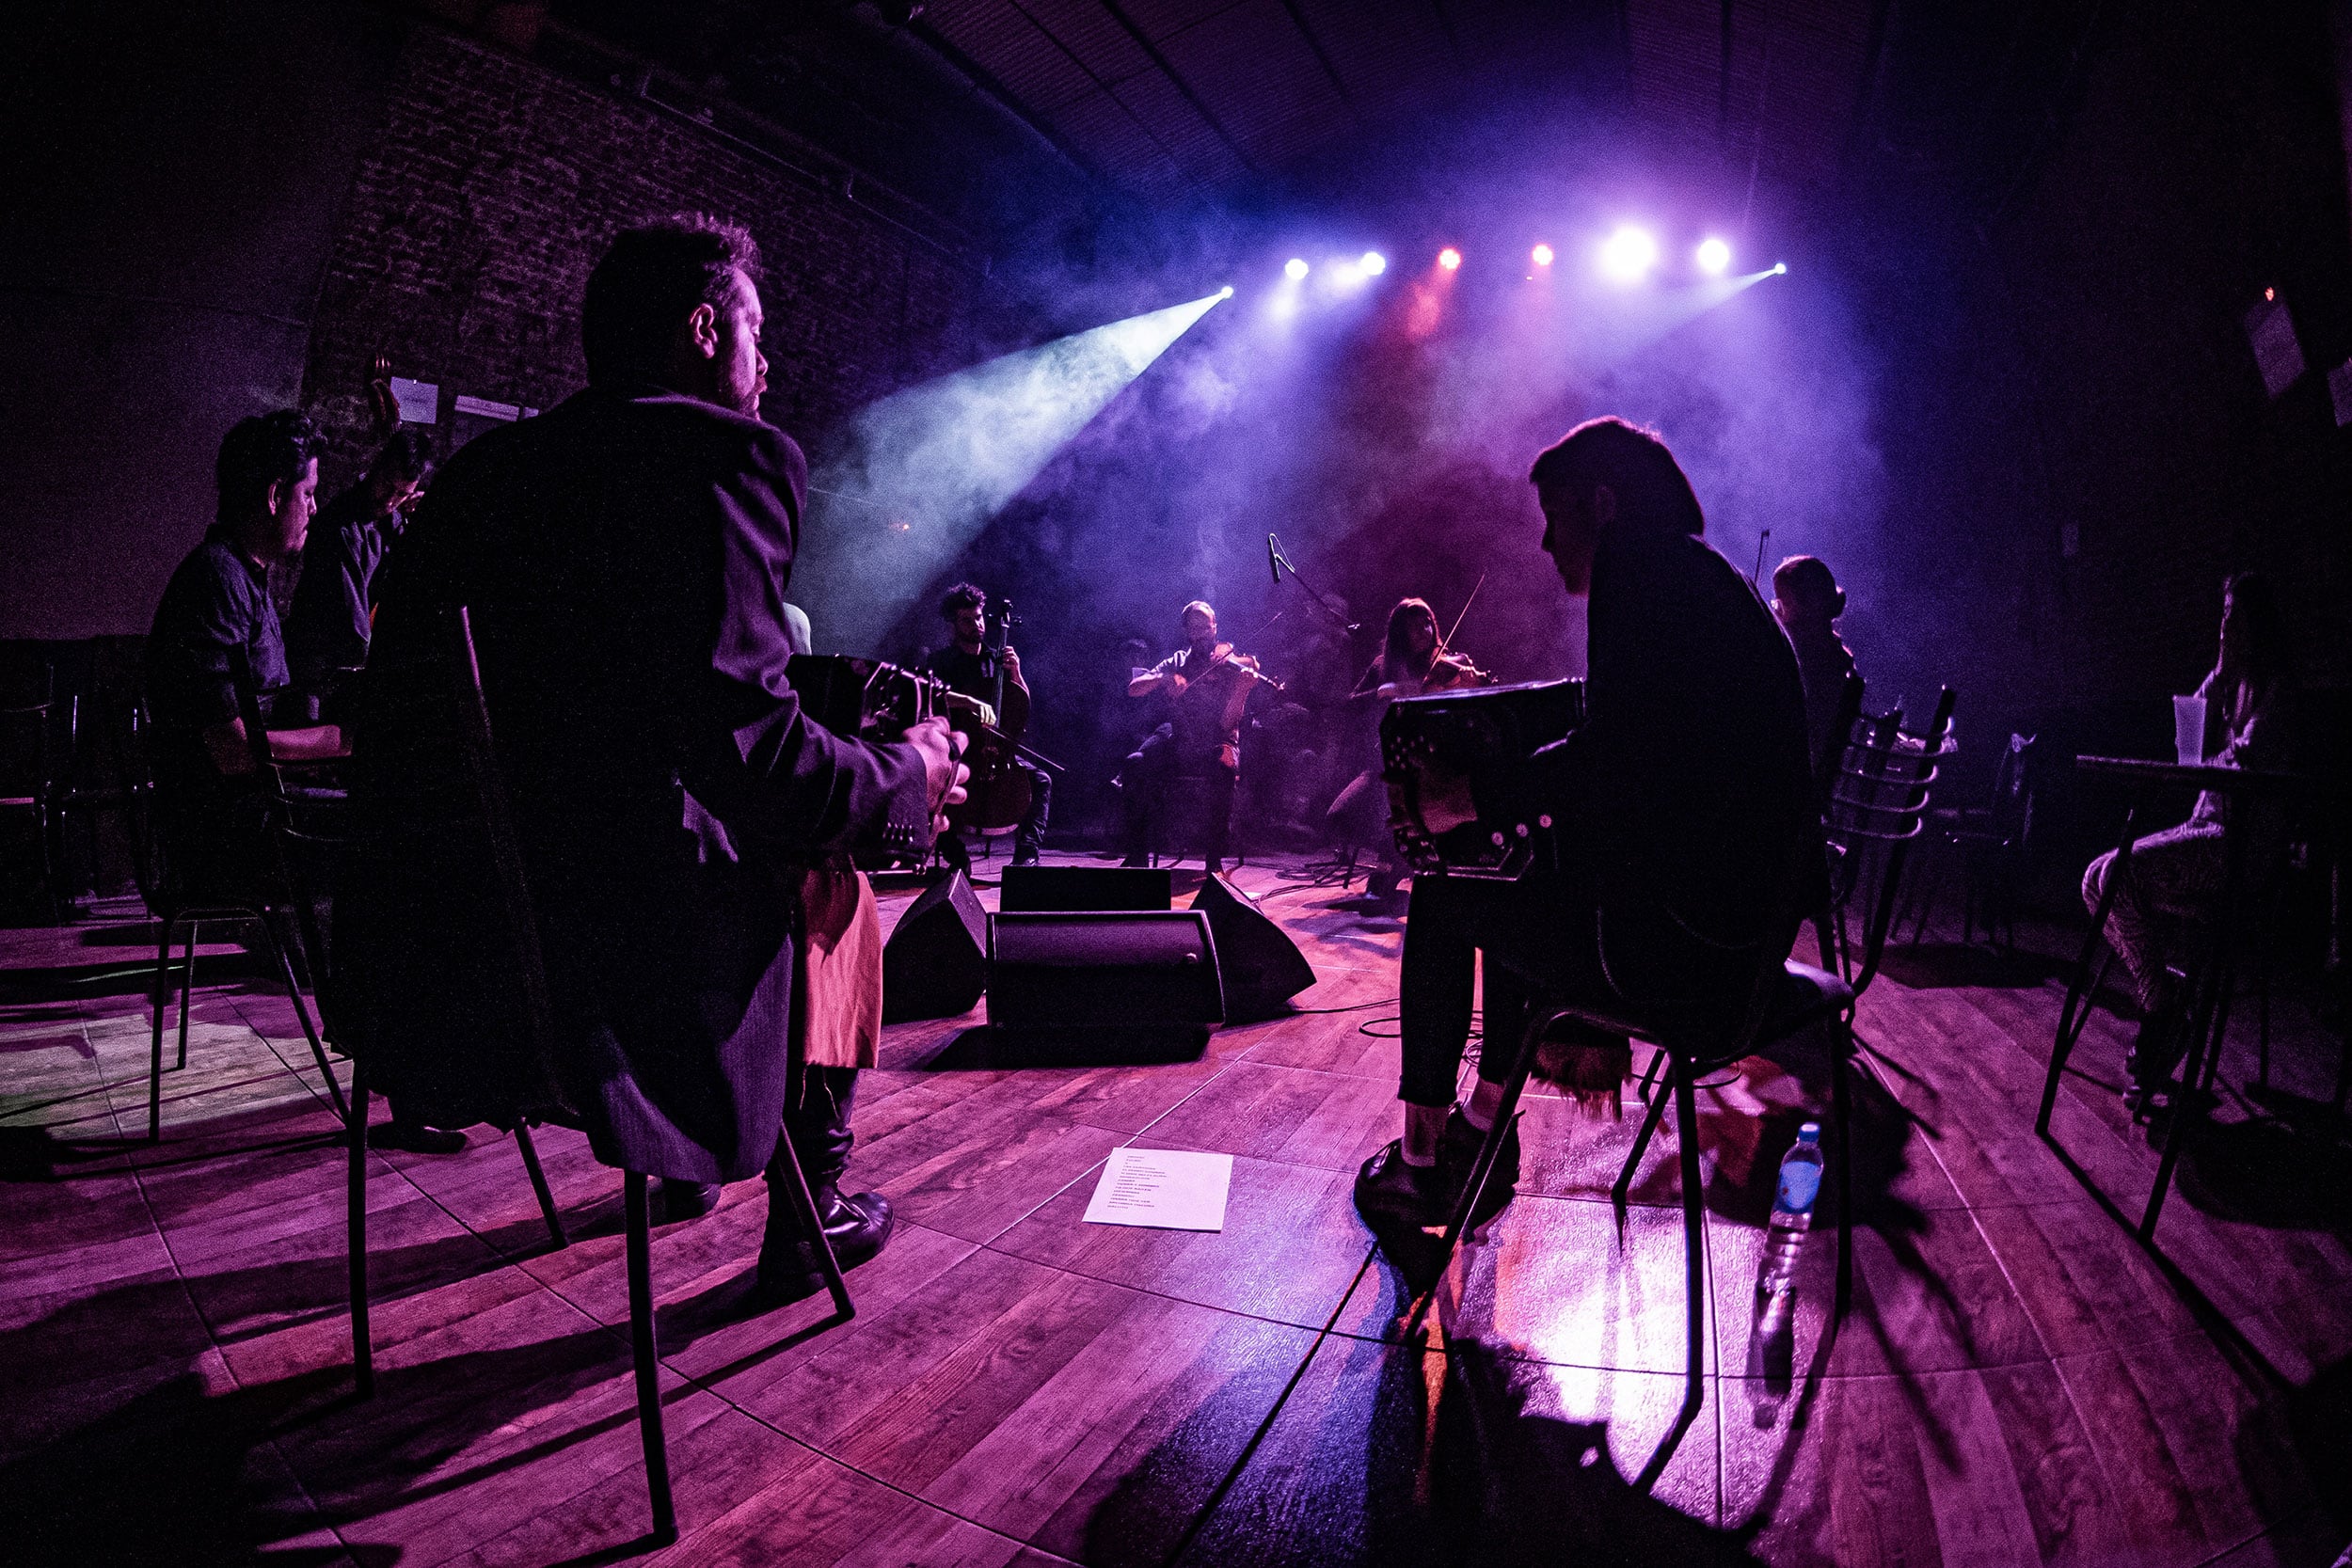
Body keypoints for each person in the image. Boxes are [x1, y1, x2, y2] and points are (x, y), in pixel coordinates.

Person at [357, 214, 965, 1300]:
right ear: (702, 329)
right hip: (619, 983)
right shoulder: (717, 458)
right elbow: (761, 766)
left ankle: (688, 1168)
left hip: (439, 966)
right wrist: (905, 776)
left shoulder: (478, 477)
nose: (767, 366)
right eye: (755, 333)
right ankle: (810, 1206)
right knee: (837, 882)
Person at [1357, 419, 1815, 1227]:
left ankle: (1422, 1165)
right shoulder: (1701, 576)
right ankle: (1481, 1132)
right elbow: (1646, 752)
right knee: (1510, 873)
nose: (1544, 542)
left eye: (1553, 515)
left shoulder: (1640, 569)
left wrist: (1470, 797)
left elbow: (1611, 759)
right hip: (1742, 940)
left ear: (1603, 504)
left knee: (1443, 890)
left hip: (1688, 952)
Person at [2081, 572, 2296, 1096]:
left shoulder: (2278, 689)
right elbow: (2188, 740)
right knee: (2094, 881)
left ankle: (2162, 1011)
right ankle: (2165, 997)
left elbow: (2245, 760)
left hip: (2239, 845)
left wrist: (2206, 761)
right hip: (2203, 828)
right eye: (2223, 616)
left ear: (2258, 626)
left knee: (2120, 875)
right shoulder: (2229, 681)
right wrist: (2219, 675)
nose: (2224, 628)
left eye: (2234, 618)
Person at [1327, 598, 1489, 907]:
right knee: (1340, 817)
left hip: (1434, 765)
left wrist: (1471, 686)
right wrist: (1387, 690)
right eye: (1415, 626)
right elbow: (1350, 704)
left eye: (1428, 623)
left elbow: (1472, 715)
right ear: (1400, 633)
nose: (1425, 631)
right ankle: (1408, 859)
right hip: (1386, 763)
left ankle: (1387, 873)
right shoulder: (1383, 666)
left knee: (1401, 809)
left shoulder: (1450, 665)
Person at [285, 428, 434, 713]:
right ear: (377, 464)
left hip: (342, 674)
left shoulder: (393, 523)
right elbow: (354, 625)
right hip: (315, 672)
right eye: (387, 485)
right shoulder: (341, 526)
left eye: (402, 494)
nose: (390, 501)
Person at [1118, 600, 1269, 873]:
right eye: (1195, 628)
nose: (1202, 634)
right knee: (1134, 764)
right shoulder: (1178, 661)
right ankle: (1138, 853)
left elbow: (1228, 723)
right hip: (1182, 740)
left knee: (1223, 768)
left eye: (1206, 627)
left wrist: (1242, 690)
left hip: (1218, 739)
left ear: (1215, 627)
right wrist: (1164, 678)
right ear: (1186, 631)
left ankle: (1214, 859)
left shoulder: (1229, 665)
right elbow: (1134, 688)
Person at [920, 582, 1049, 869]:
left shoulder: (996, 658)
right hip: (957, 746)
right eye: (967, 620)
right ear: (953, 625)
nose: (976, 625)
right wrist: (969, 702)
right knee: (936, 784)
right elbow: (931, 695)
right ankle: (956, 856)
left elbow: (1021, 703)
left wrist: (1016, 673)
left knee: (1041, 780)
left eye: (978, 617)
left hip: (994, 749)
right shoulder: (941, 661)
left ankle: (1027, 856)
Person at [1771, 555, 1858, 770]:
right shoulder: (1839, 658)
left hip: (1789, 772)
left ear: (1803, 609)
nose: (1774, 612)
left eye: (1779, 604)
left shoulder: (1800, 660)